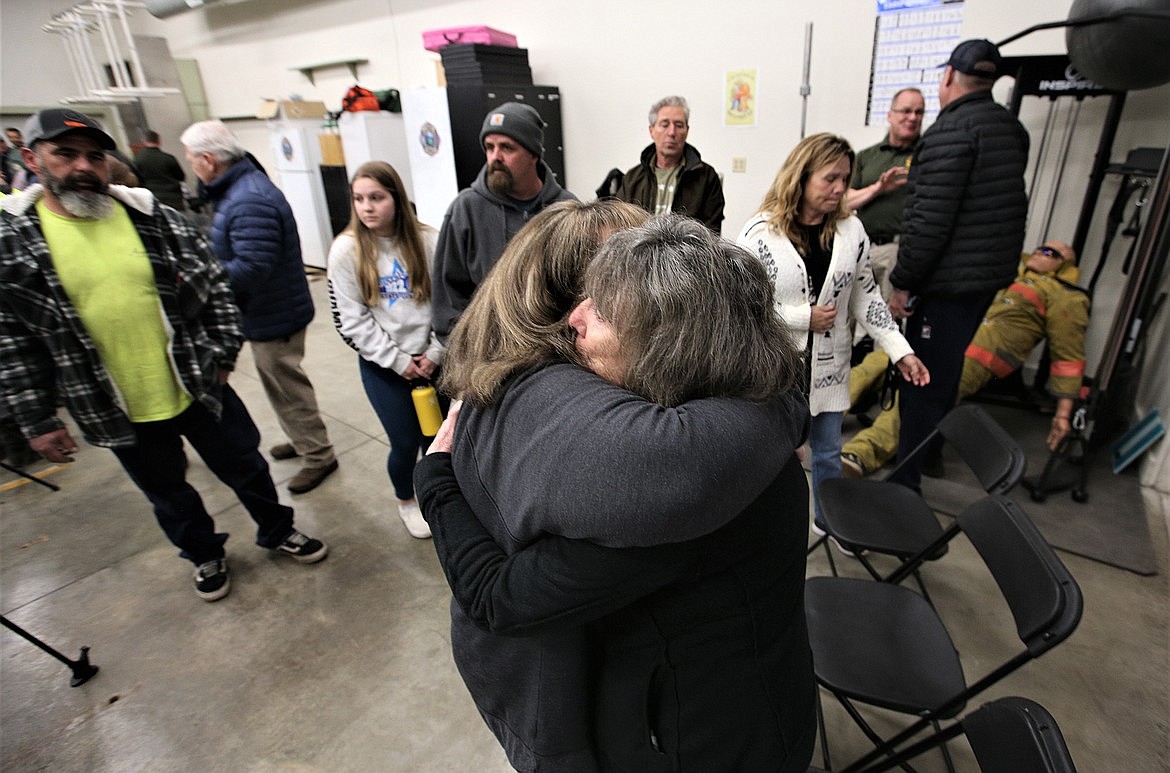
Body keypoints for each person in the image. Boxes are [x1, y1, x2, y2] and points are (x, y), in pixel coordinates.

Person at [417, 205, 815, 772]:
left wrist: (434, 479)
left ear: (663, 350)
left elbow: (499, 598)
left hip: (708, 746)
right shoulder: (745, 408)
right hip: (757, 700)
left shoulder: (668, 495)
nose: (572, 320)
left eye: (601, 309)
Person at [0, 109, 328, 602]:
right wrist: (38, 418)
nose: (84, 167)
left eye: (95, 155)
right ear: (32, 158)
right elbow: (14, 338)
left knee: (247, 466)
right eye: (65, 155)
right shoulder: (15, 240)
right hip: (113, 402)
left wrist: (220, 354)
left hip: (197, 382)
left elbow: (215, 286)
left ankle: (277, 529)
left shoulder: (151, 218)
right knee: (168, 492)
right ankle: (204, 554)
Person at [736, 132, 928, 531]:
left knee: (827, 452)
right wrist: (802, 316)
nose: (841, 188)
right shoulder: (759, 233)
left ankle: (830, 523)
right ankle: (769, 532)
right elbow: (742, 303)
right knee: (775, 456)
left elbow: (866, 297)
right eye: (830, 178)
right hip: (776, 371)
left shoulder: (851, 231)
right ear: (801, 177)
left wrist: (900, 350)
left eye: (846, 178)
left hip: (828, 369)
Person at [886, 38, 1030, 492]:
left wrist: (904, 282)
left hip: (944, 284)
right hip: (984, 280)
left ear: (948, 76)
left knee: (922, 378)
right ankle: (929, 455)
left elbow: (928, 223)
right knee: (945, 373)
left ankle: (905, 483)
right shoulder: (1011, 129)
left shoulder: (950, 134)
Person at [181, 120, 338, 494]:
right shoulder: (237, 189)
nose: (191, 166)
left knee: (287, 386)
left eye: (191, 159)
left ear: (208, 160)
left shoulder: (248, 198)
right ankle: (303, 441)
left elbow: (253, 266)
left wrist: (203, 277)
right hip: (266, 311)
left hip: (275, 313)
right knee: (277, 384)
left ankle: (319, 454)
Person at [842, 241, 1090, 476]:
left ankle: (859, 454)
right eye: (1040, 248)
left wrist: (1063, 415)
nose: (1040, 252)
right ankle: (816, 419)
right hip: (946, 336)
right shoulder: (1006, 274)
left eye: (1051, 253)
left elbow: (1068, 358)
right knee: (871, 366)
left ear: (1066, 265)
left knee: (917, 396)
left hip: (980, 356)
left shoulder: (1066, 296)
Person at [327, 161, 445, 539]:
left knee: (439, 438)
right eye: (359, 199)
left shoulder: (428, 240)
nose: (367, 207)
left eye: (376, 197)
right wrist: (398, 362)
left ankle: (441, 496)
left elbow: (449, 302)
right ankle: (407, 500)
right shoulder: (346, 251)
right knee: (405, 442)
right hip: (386, 368)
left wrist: (435, 352)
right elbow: (352, 320)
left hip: (434, 360)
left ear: (396, 198)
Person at [431, 102, 577, 342]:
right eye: (489, 147)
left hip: (551, 349)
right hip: (485, 352)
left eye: (507, 148)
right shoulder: (466, 209)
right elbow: (447, 296)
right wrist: (462, 349)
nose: (495, 157)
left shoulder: (565, 209)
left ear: (533, 154)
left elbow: (577, 288)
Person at [846, 87, 925, 297]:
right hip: (861, 248)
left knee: (887, 319)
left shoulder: (927, 156)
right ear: (890, 115)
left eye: (919, 112)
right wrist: (878, 189)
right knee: (846, 316)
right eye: (906, 111)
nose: (912, 118)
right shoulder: (867, 156)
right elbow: (845, 202)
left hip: (899, 251)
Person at [616, 95, 725, 233]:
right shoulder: (632, 179)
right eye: (664, 124)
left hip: (687, 253)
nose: (672, 132)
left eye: (679, 125)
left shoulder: (706, 177)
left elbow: (712, 234)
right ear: (652, 131)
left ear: (687, 131)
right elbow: (619, 227)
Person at [133, 129, 187, 209]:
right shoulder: (168, 158)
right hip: (173, 199)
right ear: (159, 141)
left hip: (151, 200)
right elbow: (181, 177)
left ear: (144, 141)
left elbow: (136, 180)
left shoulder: (137, 160)